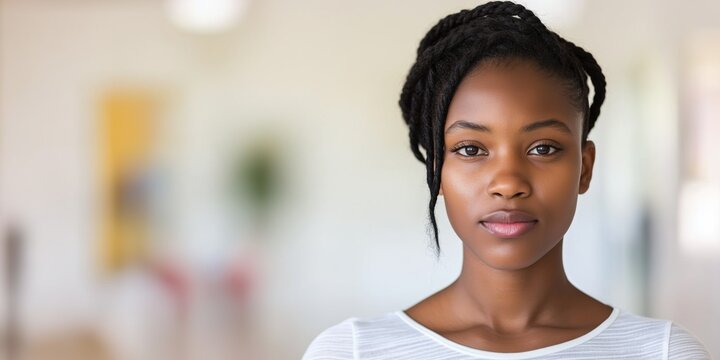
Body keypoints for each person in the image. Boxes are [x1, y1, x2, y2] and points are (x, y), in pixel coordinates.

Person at [302, 1, 710, 359]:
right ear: (437, 170)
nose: (508, 182)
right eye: (471, 149)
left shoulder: (663, 353)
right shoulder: (352, 352)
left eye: (543, 148)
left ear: (584, 168)